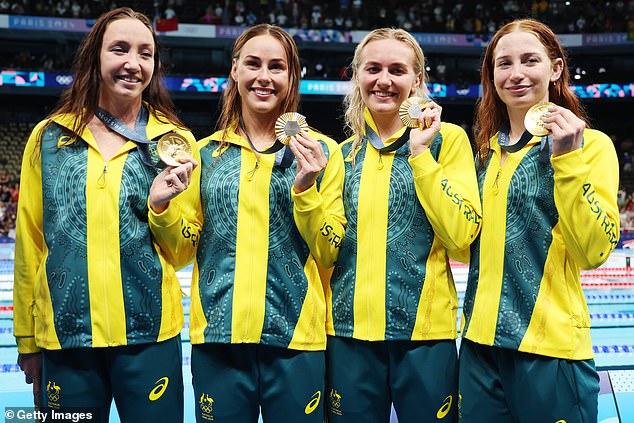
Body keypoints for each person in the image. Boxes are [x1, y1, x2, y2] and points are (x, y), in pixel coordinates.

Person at [149, 23, 346, 422]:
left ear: (292, 77)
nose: (264, 77)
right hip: (220, 340)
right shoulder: (204, 155)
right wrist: (162, 208)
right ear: (235, 70)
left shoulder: (323, 152)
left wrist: (306, 189)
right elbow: (182, 251)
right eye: (253, 63)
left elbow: (331, 250)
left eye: (277, 67)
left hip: (297, 343)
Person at [14, 7, 198, 422]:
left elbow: (185, 251)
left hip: (148, 337)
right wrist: (27, 339)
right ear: (95, 57)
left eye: (145, 53)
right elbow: (30, 242)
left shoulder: (174, 142)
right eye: (120, 49)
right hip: (66, 337)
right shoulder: (48, 138)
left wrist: (161, 206)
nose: (133, 63)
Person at [459, 18, 620, 423]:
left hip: (550, 351)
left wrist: (567, 161)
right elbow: (465, 244)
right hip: (480, 349)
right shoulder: (484, 155)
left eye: (530, 60)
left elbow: (594, 251)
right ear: (491, 74)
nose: (516, 74)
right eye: (503, 63)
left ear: (556, 69)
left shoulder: (593, 147)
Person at [326, 28, 481, 423]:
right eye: (373, 68)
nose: (384, 80)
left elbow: (463, 237)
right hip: (349, 332)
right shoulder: (342, 155)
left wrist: (422, 156)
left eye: (397, 70)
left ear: (417, 80)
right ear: (357, 77)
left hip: (425, 337)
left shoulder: (449, 141)